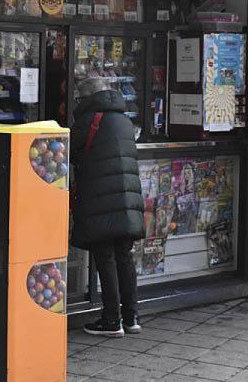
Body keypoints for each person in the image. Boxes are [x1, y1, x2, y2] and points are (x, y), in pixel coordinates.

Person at [70, 77, 144, 337]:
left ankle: (112, 320)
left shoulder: (90, 120)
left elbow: (68, 150)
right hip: (127, 200)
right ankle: (131, 316)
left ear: (86, 98)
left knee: (105, 258)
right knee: (125, 256)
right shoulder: (124, 119)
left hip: (101, 199)